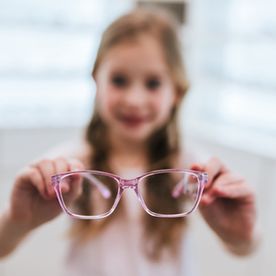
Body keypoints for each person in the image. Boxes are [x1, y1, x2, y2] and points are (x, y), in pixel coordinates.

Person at [0, 8, 259, 276]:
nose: (134, 100)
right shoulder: (70, 167)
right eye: (119, 80)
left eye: (153, 83)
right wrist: (18, 221)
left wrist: (239, 237)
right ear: (96, 81)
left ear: (177, 92)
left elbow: (246, 248)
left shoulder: (191, 168)